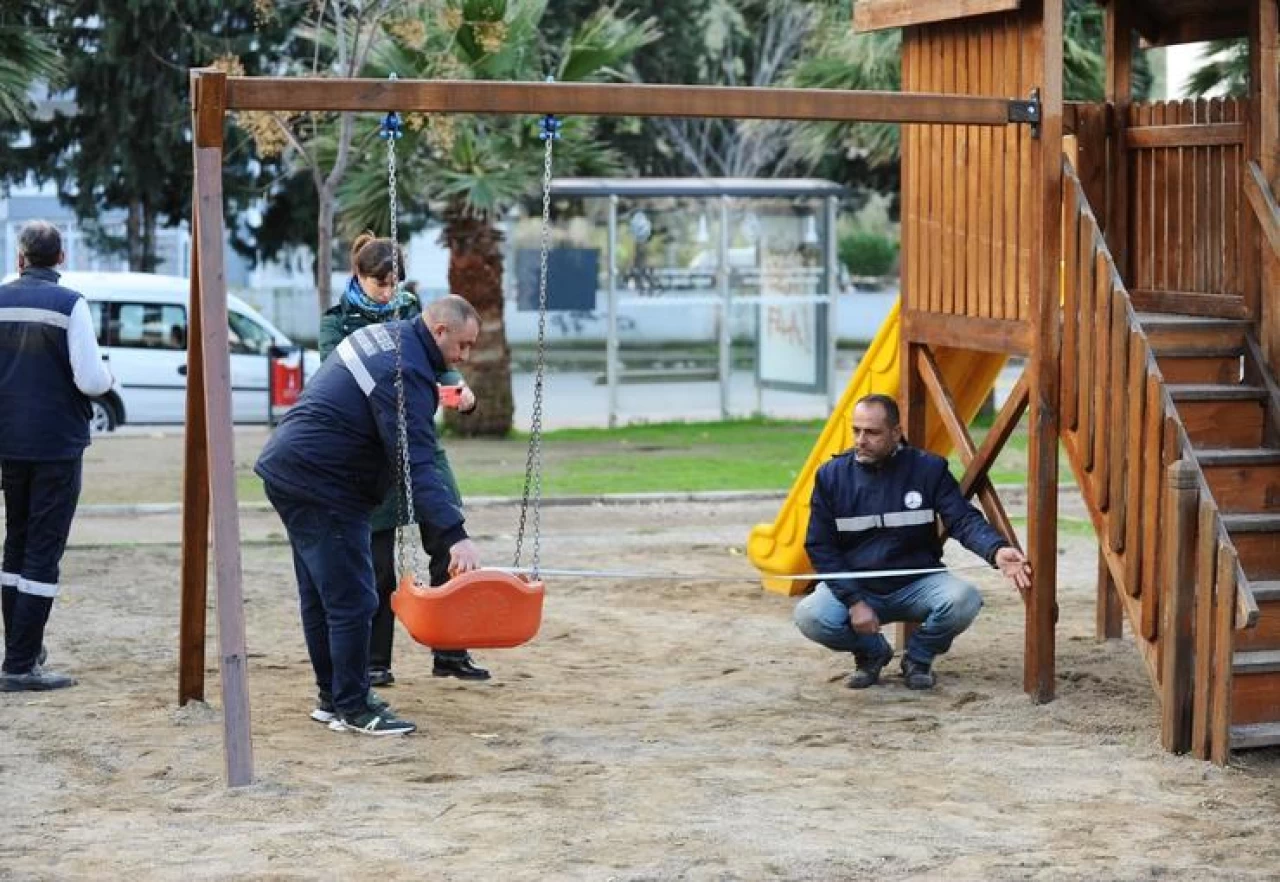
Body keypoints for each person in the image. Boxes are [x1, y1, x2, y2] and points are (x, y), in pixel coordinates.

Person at [255, 293, 484, 736]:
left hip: (291, 467)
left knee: (323, 595)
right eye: (463, 345)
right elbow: (416, 459)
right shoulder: (407, 370)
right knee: (355, 599)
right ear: (439, 332)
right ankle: (355, 706)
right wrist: (455, 534)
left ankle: (333, 699)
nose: (464, 356)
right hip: (324, 482)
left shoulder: (389, 339)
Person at [318, 235, 490, 687]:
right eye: (381, 283)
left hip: (417, 440)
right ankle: (376, 662)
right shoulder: (337, 323)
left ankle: (450, 650)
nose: (389, 292)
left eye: (396, 283)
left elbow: (439, 358)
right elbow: (337, 372)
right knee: (376, 562)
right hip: (373, 449)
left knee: (448, 535)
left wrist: (458, 388)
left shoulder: (416, 311)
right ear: (359, 276)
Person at [793, 393, 1032, 690]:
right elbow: (820, 547)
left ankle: (918, 658)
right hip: (858, 587)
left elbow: (962, 519)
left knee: (964, 599)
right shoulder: (831, 476)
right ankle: (872, 653)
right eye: (856, 430)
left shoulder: (929, 469)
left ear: (896, 433)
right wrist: (854, 601)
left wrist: (995, 550)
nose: (861, 440)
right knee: (809, 616)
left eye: (872, 432)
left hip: (918, 583)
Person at [0, 221, 114, 691]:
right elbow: (90, 380)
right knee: (43, 552)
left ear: (21, 258)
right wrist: (108, 378)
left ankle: (19, 647)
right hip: (55, 444)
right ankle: (21, 663)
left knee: (16, 542)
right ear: (61, 259)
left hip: (8, 442)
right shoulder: (71, 304)